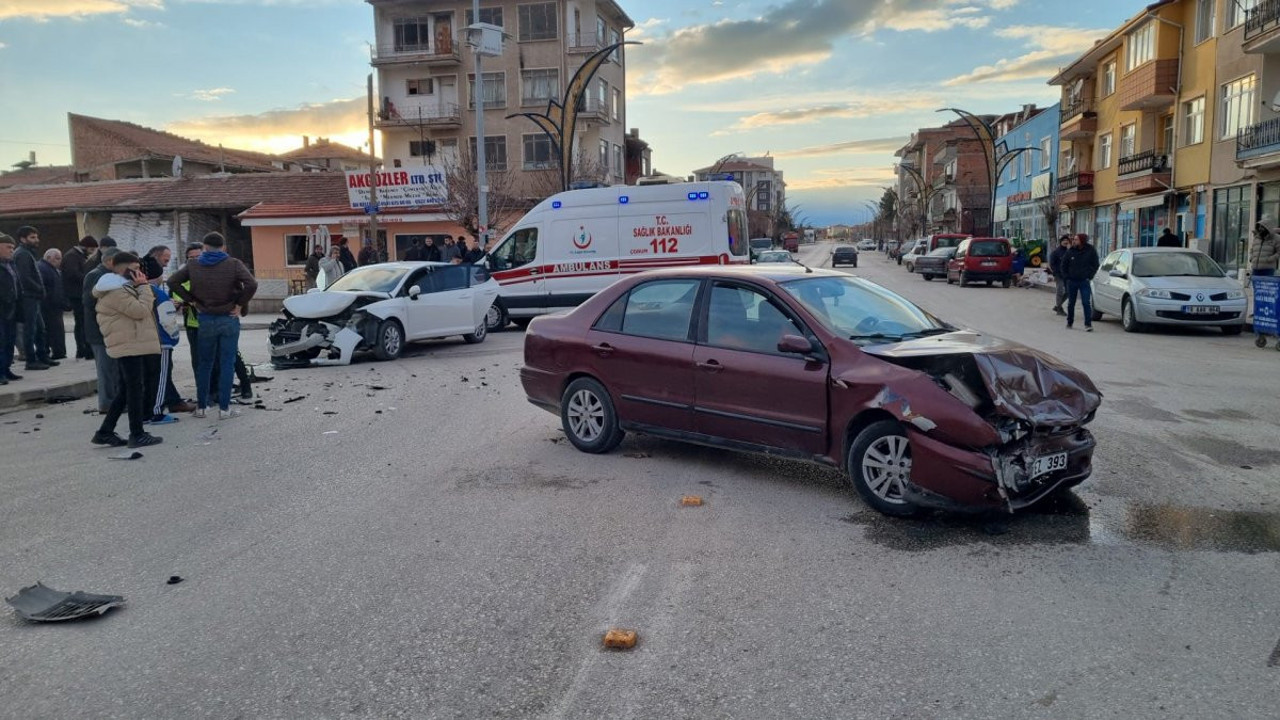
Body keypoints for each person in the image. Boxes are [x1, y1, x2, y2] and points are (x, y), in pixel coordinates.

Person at [168, 231, 257, 420]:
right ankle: (224, 409)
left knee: (204, 363)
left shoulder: (193, 265)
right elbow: (251, 284)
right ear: (223, 247)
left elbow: (172, 281)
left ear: (205, 248)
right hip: (228, 317)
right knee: (227, 362)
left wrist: (191, 300)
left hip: (205, 317)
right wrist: (239, 305)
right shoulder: (233, 264)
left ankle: (202, 407)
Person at [91, 251, 163, 448]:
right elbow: (140, 311)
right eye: (133, 269)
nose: (137, 273)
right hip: (128, 344)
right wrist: (144, 287)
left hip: (131, 343)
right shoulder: (115, 291)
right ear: (118, 267)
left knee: (126, 390)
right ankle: (137, 434)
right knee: (134, 390)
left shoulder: (122, 286)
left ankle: (105, 432)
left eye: (139, 269)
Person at [140, 255, 184, 425]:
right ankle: (156, 412)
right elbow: (168, 321)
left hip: (144, 341)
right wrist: (173, 338)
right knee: (160, 378)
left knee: (147, 377)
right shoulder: (158, 293)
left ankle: (145, 412)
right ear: (157, 275)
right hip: (162, 341)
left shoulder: (137, 291)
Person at [85, 247, 122, 412]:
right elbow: (89, 301)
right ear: (109, 261)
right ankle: (107, 404)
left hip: (109, 328)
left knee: (114, 368)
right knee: (106, 369)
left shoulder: (110, 276)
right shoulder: (95, 276)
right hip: (99, 330)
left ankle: (115, 401)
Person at [12, 226, 55, 370]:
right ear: (23, 239)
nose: (36, 240)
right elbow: (25, 277)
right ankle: (31, 360)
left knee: (40, 329)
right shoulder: (22, 254)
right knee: (31, 330)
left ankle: (42, 356)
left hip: (33, 296)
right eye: (32, 237)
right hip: (28, 297)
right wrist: (39, 289)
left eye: (36, 237)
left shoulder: (27, 253)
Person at [62, 236, 97, 359]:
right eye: (91, 249)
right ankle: (83, 349)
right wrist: (88, 279)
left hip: (78, 293)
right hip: (76, 295)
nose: (92, 252)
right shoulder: (72, 256)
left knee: (82, 322)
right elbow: (73, 274)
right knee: (82, 322)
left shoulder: (77, 255)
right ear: (85, 247)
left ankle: (84, 349)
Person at [1063, 233, 1100, 332]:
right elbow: (1064, 265)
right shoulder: (1070, 251)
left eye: (1076, 240)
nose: (1074, 241)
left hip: (1084, 280)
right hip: (1072, 281)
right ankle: (1069, 321)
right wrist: (1067, 277)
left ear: (1082, 241)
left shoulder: (1090, 250)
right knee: (1071, 303)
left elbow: (1096, 264)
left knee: (1086, 302)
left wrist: (1090, 276)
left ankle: (1088, 324)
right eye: (1074, 239)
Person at [37, 248, 67, 360]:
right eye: (57, 258)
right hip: (49, 306)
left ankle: (58, 352)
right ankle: (56, 352)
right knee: (53, 330)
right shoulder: (43, 268)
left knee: (55, 330)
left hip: (54, 305)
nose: (60, 261)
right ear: (49, 258)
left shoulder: (50, 268)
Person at [0, 234, 20, 386]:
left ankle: (6, 369)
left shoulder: (10, 264)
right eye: (8, 247)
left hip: (11, 309)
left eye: (13, 248)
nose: (11, 250)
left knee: (9, 341)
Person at [1048, 236, 1071, 316]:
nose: (1065, 242)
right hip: (1059, 275)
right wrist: (1055, 272)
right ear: (1060, 242)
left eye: (1067, 240)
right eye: (1064, 240)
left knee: (1068, 292)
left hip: (1067, 275)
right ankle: (1059, 309)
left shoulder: (1069, 252)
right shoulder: (1056, 252)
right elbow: (1052, 264)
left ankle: (1057, 306)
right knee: (1060, 291)